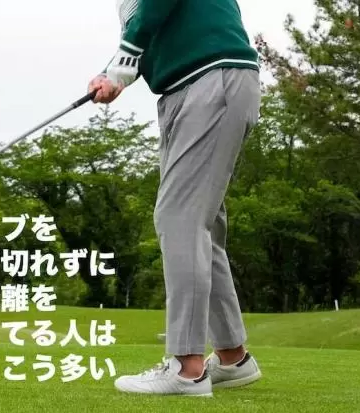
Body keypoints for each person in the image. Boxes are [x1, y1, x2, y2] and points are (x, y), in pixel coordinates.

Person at [88, 0, 263, 397]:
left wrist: (120, 65)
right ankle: (232, 358)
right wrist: (112, 73)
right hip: (193, 87)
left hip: (209, 80)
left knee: (179, 218)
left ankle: (186, 369)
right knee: (202, 224)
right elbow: (151, 30)